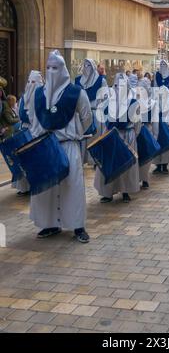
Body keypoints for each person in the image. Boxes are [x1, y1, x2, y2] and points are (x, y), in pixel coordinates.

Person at [28, 50, 93, 243]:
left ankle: (77, 225)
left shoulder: (76, 93)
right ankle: (49, 224)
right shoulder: (38, 94)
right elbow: (33, 120)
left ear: (63, 69)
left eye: (55, 68)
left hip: (68, 147)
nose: (51, 71)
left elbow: (87, 117)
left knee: (72, 186)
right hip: (46, 147)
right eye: (48, 68)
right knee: (47, 188)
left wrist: (74, 132)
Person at [94, 72, 141, 203]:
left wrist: (131, 134)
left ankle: (126, 191)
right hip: (111, 136)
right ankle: (108, 192)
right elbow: (103, 122)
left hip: (127, 136)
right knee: (109, 164)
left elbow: (138, 123)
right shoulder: (108, 102)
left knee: (127, 166)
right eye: (115, 86)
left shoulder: (133, 102)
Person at [15, 70, 44, 196]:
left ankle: (36, 185)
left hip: (38, 133)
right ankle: (24, 187)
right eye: (29, 82)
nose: (31, 85)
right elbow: (20, 115)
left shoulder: (43, 98)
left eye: (34, 82)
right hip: (25, 132)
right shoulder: (23, 99)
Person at [75, 59, 109, 164]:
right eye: (84, 65)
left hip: (96, 113)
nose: (86, 68)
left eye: (89, 65)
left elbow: (106, 98)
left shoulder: (101, 80)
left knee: (96, 138)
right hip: (81, 115)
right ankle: (82, 160)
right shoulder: (77, 81)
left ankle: (95, 160)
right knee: (82, 138)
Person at [138, 77, 159, 189]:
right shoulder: (135, 101)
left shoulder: (153, 103)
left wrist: (155, 136)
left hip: (147, 130)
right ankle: (139, 178)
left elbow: (155, 120)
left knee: (146, 156)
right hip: (137, 131)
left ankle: (145, 179)